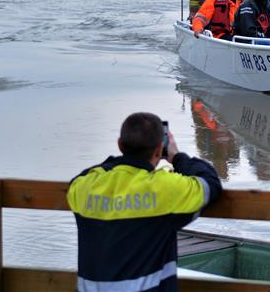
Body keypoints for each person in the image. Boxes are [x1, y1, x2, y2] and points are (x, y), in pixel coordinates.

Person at [68, 112, 222, 292]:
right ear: (158, 150)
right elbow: (209, 182)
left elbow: (83, 176)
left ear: (120, 145)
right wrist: (175, 156)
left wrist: (121, 162)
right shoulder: (163, 188)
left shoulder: (85, 187)